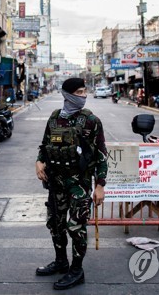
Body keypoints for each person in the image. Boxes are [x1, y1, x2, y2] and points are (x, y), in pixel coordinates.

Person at [35, 77, 108, 290]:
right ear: (67, 95)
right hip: (55, 182)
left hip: (79, 185)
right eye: (78, 92)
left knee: (76, 227)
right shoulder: (54, 118)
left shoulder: (91, 121)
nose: (83, 95)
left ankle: (77, 270)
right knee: (56, 225)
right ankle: (61, 261)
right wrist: (39, 161)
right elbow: (45, 144)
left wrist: (100, 185)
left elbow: (101, 154)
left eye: (85, 91)